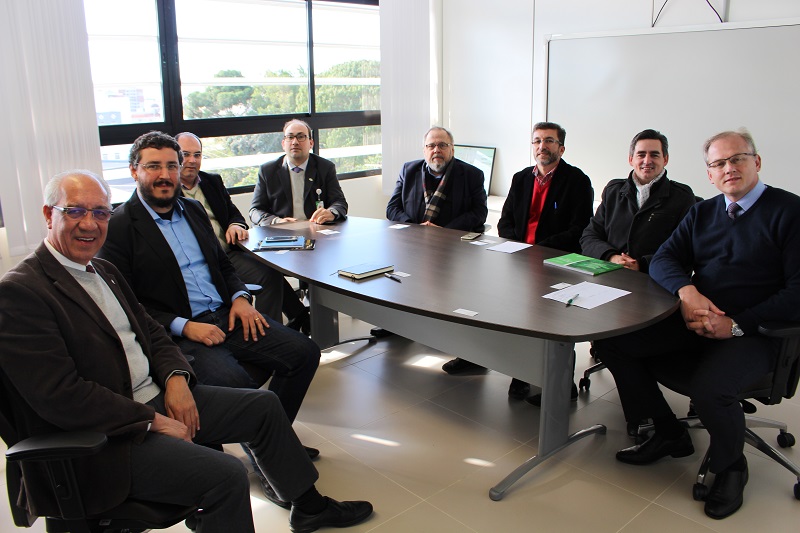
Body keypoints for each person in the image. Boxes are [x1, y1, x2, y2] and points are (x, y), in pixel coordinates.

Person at [0, 170, 373, 533]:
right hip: (106, 440)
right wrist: (153, 420)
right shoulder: (22, 292)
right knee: (226, 475)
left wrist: (177, 379)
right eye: (76, 211)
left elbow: (150, 331)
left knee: (264, 406)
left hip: (154, 397)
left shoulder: (102, 269)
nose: (90, 223)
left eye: (100, 213)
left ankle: (308, 508)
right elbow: (61, 397)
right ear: (49, 214)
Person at [592, 130, 800, 519]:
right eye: (718, 163)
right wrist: (687, 293)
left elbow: (797, 292)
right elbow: (664, 259)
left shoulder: (789, 212)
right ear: (709, 174)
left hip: (757, 332)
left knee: (710, 390)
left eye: (737, 159)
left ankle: (731, 466)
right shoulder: (703, 212)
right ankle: (668, 432)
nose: (728, 168)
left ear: (756, 162)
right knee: (612, 342)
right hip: (698, 320)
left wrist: (736, 324)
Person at [98, 131, 321, 478]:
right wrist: (184, 326)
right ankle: (273, 458)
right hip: (181, 332)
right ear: (134, 170)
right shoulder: (118, 227)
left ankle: (274, 439)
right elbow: (127, 304)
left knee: (304, 352)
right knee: (238, 384)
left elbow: (223, 265)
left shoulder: (194, 209)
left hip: (228, 315)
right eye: (153, 166)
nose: (165, 175)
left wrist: (240, 298)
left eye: (172, 166)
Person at [442, 122, 593, 402]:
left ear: (561, 148)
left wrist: (538, 250)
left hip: (555, 262)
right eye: (537, 141)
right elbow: (506, 220)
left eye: (549, 141)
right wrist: (518, 247)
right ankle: (485, 359)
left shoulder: (577, 181)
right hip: (518, 260)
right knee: (489, 304)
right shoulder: (522, 177)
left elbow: (579, 228)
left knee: (552, 323)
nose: (542, 146)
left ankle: (562, 384)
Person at [579, 129, 696, 433]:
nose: (647, 160)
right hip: (610, 280)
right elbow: (590, 235)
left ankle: (645, 417)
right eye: (641, 154)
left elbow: (685, 251)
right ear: (631, 158)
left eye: (654, 154)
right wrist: (611, 256)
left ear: (665, 159)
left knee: (619, 342)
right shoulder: (614, 190)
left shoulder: (682, 197)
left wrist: (641, 264)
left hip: (655, 288)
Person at [174, 132, 309, 332]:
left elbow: (234, 214)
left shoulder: (212, 181)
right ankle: (278, 328)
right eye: (186, 154)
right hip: (202, 262)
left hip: (228, 252)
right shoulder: (169, 190)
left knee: (271, 268)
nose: (192, 160)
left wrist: (236, 225)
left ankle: (289, 323)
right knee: (268, 275)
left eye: (197, 154)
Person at [386, 126, 488, 231]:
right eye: (431, 146)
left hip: (452, 238)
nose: (436, 150)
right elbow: (392, 208)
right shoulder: (408, 171)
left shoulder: (472, 175)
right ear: (424, 150)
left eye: (442, 145)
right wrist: (414, 228)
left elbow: (480, 212)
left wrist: (444, 231)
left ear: (452, 150)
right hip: (413, 235)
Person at [249, 119, 348, 227]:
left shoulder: (325, 167)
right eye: (290, 137)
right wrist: (276, 221)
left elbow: (339, 202)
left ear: (311, 143)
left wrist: (331, 213)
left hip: (316, 228)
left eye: (301, 137)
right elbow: (255, 210)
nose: (295, 142)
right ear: (283, 144)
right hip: (281, 230)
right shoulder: (267, 171)